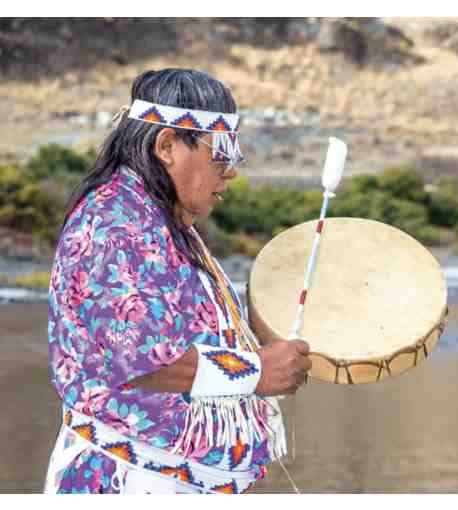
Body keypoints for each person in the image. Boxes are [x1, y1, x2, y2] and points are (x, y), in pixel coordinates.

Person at [43, 68, 312, 494]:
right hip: (126, 483)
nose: (230, 172)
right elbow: (138, 361)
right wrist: (256, 370)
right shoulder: (114, 225)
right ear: (167, 146)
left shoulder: (158, 222)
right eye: (219, 154)